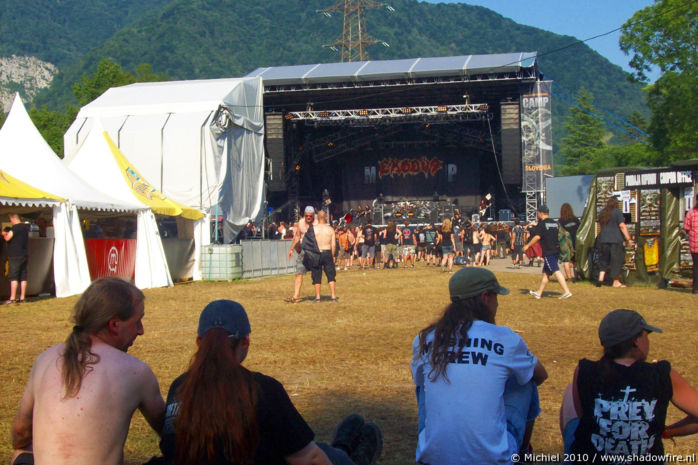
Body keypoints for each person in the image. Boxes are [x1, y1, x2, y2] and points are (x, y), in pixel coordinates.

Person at [159, 300, 382, 465]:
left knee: (322, 449)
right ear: (245, 342)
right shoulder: (262, 390)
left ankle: (342, 449)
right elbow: (310, 460)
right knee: (321, 454)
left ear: (199, 342)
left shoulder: (179, 388)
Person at [11, 277, 165, 465]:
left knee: (21, 453)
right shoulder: (135, 371)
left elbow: (21, 432)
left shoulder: (44, 359)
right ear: (114, 324)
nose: (141, 331)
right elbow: (169, 434)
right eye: (137, 322)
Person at [412, 267, 548, 465]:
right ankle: (523, 452)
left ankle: (436, 442)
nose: (497, 303)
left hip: (433, 457)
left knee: (426, 380)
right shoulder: (504, 337)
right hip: (492, 459)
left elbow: (418, 381)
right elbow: (541, 375)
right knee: (526, 378)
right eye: (496, 297)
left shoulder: (425, 338)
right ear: (485, 297)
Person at [560, 309, 698, 462]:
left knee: (569, 392)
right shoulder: (663, 374)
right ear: (636, 341)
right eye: (646, 335)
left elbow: (585, 418)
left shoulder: (585, 370)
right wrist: (665, 432)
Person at [523, 205, 573, 299]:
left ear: (541, 213)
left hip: (548, 251)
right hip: (555, 250)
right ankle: (539, 293)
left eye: (537, 213)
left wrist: (527, 245)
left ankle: (566, 291)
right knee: (546, 273)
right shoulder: (555, 223)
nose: (537, 214)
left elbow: (537, 237)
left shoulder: (542, 224)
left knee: (555, 270)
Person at [596, 198, 634, 288]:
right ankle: (616, 281)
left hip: (603, 240)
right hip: (616, 240)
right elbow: (622, 226)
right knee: (616, 261)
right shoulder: (617, 212)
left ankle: (600, 279)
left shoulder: (602, 213)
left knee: (604, 260)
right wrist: (628, 239)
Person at [286, 206, 319, 303]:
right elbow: (297, 237)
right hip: (303, 251)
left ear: (314, 215)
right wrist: (291, 249)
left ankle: (317, 296)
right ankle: (295, 296)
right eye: (306, 216)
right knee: (299, 272)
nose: (308, 217)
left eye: (310, 216)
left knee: (316, 274)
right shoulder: (301, 222)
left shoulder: (318, 223)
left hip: (315, 251)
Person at [3, 213, 30, 304]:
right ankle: (22, 297)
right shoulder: (25, 228)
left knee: (13, 276)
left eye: (10, 220)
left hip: (15, 255)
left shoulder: (15, 228)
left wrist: (4, 234)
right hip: (24, 254)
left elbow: (8, 238)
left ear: (13, 219)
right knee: (23, 276)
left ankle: (12, 298)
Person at [312, 211, 338, 302]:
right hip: (327, 252)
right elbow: (333, 245)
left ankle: (318, 297)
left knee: (316, 275)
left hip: (316, 253)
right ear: (326, 217)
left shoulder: (313, 229)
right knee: (331, 275)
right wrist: (333, 255)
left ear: (317, 218)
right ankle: (333, 297)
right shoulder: (330, 229)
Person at [559, 203, 581, 282]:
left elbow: (560, 232)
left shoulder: (561, 221)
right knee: (575, 260)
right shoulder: (575, 219)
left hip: (566, 242)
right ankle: (576, 276)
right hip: (576, 241)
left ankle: (569, 277)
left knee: (566, 260)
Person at [683, 194, 698, 294]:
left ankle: (695, 288)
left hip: (695, 244)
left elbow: (686, 227)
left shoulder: (691, 212)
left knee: (696, 266)